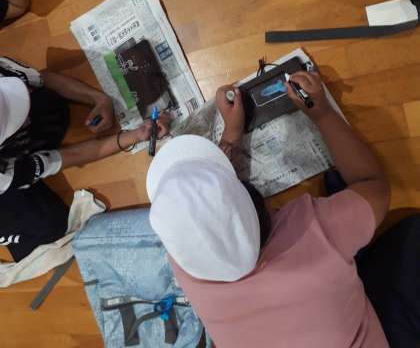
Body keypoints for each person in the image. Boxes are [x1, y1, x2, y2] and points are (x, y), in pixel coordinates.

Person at [146, 70, 393, 347]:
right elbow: (374, 186)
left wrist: (232, 133)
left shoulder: (187, 268)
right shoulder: (316, 232)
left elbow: (206, 218)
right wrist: (322, 112)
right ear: (264, 205)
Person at [0, 56, 170, 261]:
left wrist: (99, 99)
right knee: (50, 227)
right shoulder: (5, 174)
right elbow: (73, 155)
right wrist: (135, 136)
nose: (26, 93)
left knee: (49, 103)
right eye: (16, 120)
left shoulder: (5, 72)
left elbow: (43, 78)